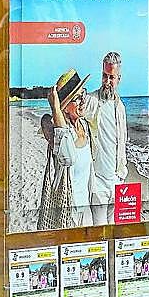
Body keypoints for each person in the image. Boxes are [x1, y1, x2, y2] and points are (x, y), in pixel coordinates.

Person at [36, 69, 95, 230]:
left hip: (87, 208)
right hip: (68, 210)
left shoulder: (84, 126)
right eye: (77, 98)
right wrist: (55, 106)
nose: (83, 101)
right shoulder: (58, 133)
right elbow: (68, 157)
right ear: (65, 107)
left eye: (84, 94)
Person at [79, 52, 129, 226]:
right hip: (98, 181)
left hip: (118, 180)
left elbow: (122, 142)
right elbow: (72, 114)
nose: (107, 82)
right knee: (99, 231)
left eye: (111, 78)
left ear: (118, 78)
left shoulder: (120, 107)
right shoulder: (92, 101)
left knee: (117, 231)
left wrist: (122, 175)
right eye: (104, 76)